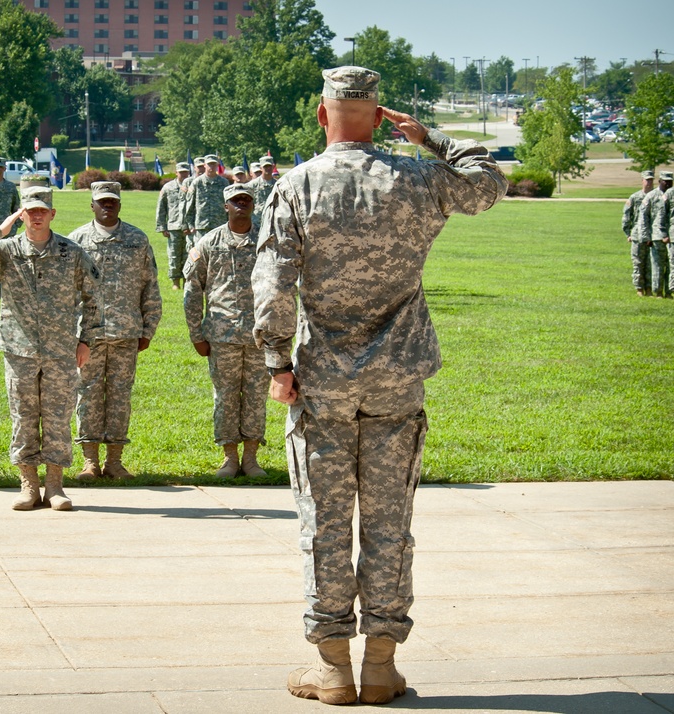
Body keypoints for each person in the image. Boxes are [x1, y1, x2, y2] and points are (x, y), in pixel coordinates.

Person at [251, 66, 507, 706]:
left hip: (322, 383)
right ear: (380, 114)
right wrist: (431, 139)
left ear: (321, 114)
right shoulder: (416, 177)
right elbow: (488, 185)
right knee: (391, 523)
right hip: (396, 380)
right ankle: (381, 666)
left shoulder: (297, 185)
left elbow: (274, 282)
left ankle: (333, 667)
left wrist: (277, 364)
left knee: (325, 523)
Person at [0, 186, 99, 511]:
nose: (36, 217)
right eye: (29, 211)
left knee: (58, 416)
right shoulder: (5, 251)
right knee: (23, 416)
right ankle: (29, 485)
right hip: (19, 350)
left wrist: (86, 339)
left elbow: (94, 296)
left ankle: (55, 487)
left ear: (52, 214)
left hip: (60, 349)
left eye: (41, 211)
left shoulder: (70, 252)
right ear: (22, 214)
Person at [69, 181, 162, 481]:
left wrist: (148, 328)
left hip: (126, 332)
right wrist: (72, 333)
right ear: (92, 205)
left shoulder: (137, 239)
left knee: (120, 397)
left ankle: (115, 462)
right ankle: (90, 462)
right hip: (89, 337)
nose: (107, 206)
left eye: (112, 201)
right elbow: (66, 292)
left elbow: (150, 286)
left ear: (119, 204)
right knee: (88, 395)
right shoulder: (76, 241)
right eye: (102, 202)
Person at [183, 183, 268, 478]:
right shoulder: (209, 243)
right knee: (226, 397)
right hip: (222, 335)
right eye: (235, 200)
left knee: (256, 396)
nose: (241, 204)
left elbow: (283, 285)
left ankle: (252, 459)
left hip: (260, 335)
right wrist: (196, 333)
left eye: (246, 200)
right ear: (226, 206)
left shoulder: (267, 240)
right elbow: (192, 290)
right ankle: (230, 458)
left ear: (253, 205)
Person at [156, 161, 193, 290]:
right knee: (174, 255)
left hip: (190, 227)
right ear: (176, 173)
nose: (183, 175)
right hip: (174, 227)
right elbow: (161, 208)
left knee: (189, 255)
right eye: (181, 172)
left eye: (185, 172)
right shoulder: (168, 187)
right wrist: (162, 227)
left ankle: (186, 280)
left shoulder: (193, 185)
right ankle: (175, 282)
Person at [186, 154, 230, 250]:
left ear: (217, 165)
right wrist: (191, 225)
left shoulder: (224, 183)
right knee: (201, 254)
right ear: (205, 165)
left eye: (214, 164)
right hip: (201, 226)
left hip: (220, 225)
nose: (211, 167)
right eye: (209, 164)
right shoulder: (197, 183)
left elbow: (228, 205)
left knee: (220, 253)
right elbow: (190, 205)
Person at [639, 170, 671, 298]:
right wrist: (646, 236)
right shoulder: (651, 196)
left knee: (671, 266)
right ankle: (658, 292)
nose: (668, 184)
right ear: (660, 181)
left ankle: (669, 291)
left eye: (670, 181)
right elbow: (644, 217)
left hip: (672, 237)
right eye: (665, 181)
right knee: (657, 266)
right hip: (656, 236)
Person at [623, 170, 655, 296]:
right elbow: (627, 216)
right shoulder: (635, 197)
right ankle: (639, 288)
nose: (649, 182)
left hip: (653, 235)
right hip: (637, 235)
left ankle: (649, 287)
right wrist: (628, 233)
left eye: (651, 180)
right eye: (647, 180)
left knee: (651, 263)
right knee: (638, 262)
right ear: (642, 180)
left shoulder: (656, 196)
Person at [247, 155, 277, 230]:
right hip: (257, 222)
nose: (268, 168)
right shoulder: (252, 185)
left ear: (273, 167)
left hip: (274, 221)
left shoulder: (278, 184)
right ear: (261, 168)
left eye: (270, 166)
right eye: (265, 167)